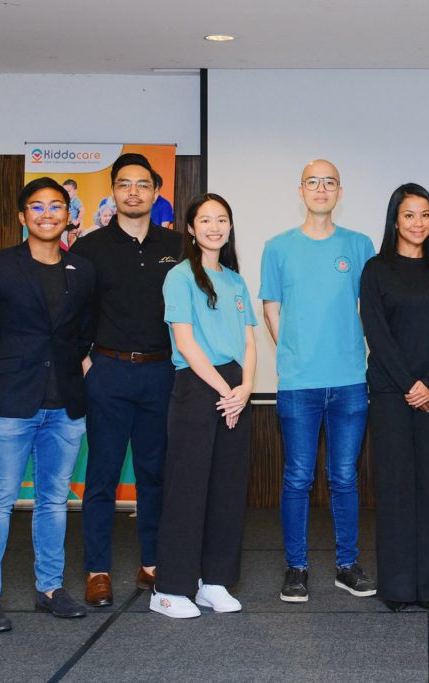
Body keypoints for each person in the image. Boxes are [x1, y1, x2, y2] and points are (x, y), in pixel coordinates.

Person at [0, 177, 96, 632]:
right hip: (8, 404)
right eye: (37, 207)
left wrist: (77, 373)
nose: (48, 214)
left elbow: (83, 335)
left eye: (57, 206)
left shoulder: (82, 271)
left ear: (69, 215)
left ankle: (50, 589)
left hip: (64, 406)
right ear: (22, 217)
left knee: (54, 500)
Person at [260, 159, 377, 603]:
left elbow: (371, 309)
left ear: (340, 191)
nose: (321, 188)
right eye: (313, 182)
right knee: (297, 477)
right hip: (298, 383)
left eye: (329, 182)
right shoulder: (278, 247)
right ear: (301, 190)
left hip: (349, 381)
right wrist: (292, 353)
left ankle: (347, 565)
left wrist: (359, 352)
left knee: (345, 476)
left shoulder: (360, 244)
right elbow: (271, 309)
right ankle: (297, 568)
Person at [72, 153, 184, 607]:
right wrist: (86, 362)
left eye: (142, 184)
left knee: (155, 473)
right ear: (113, 192)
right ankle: (97, 570)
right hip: (108, 372)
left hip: (161, 373)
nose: (133, 192)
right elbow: (72, 311)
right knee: (101, 476)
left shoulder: (178, 246)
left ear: (156, 191)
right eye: (124, 184)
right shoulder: (88, 248)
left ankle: (153, 562)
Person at [150, 194, 258, 618]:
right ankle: (170, 588)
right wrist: (224, 390)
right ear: (191, 229)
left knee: (228, 490)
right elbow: (185, 342)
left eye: (222, 219)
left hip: (235, 388)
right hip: (198, 385)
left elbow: (249, 339)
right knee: (188, 488)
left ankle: (213, 581)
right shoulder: (179, 276)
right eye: (205, 220)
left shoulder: (234, 280)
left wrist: (245, 387)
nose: (215, 226)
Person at [360, 183, 429, 611]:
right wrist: (408, 385)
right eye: (409, 215)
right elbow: (378, 336)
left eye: (425, 215)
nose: (418, 223)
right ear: (395, 220)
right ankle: (398, 587)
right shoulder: (376, 269)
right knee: (396, 488)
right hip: (390, 394)